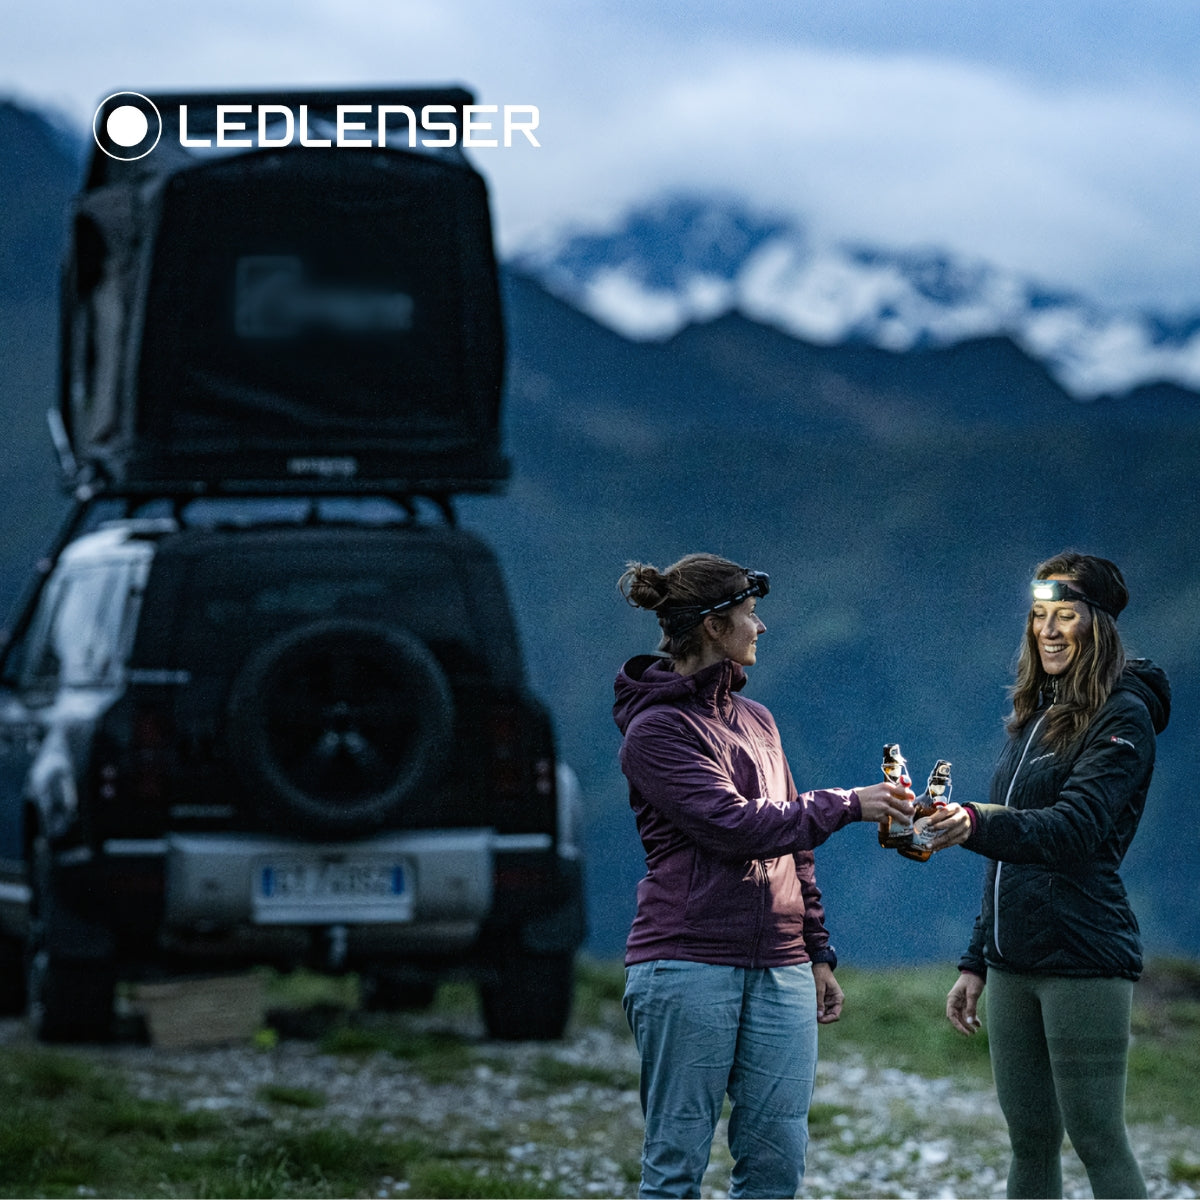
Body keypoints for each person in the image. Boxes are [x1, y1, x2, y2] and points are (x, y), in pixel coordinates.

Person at [614, 553, 939, 1200]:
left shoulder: (758, 720)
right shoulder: (656, 731)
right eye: (751, 614)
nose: (760, 628)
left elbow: (794, 846)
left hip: (782, 965)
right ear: (713, 625)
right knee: (676, 1165)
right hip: (687, 963)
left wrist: (816, 951)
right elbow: (733, 827)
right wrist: (849, 804)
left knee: (776, 1167)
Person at [940, 551, 1171, 1200]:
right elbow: (1006, 847)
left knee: (1098, 1139)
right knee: (1030, 1142)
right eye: (1040, 615)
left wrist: (972, 822)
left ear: (1097, 626)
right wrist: (976, 959)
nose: (1047, 629)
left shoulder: (1122, 717)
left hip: (1083, 959)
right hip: (1013, 963)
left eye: (1065, 615)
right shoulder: (1035, 713)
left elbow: (1073, 830)